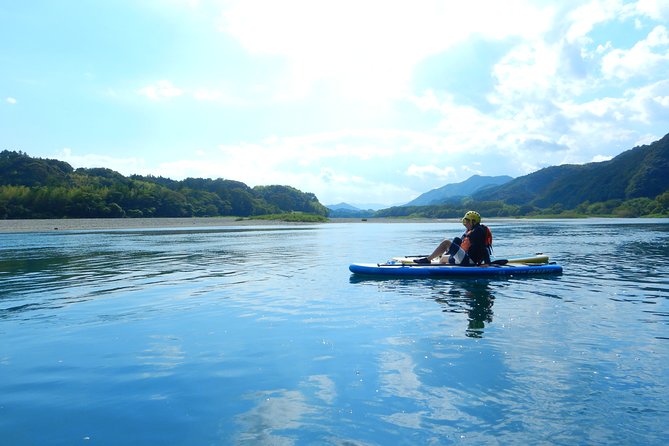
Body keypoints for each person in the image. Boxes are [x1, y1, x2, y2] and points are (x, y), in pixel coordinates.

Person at [416, 211, 492, 265]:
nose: (465, 224)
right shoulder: (471, 230)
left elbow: (483, 247)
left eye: (467, 221)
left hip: (469, 261)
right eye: (465, 221)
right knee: (443, 258)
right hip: (465, 258)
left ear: (474, 222)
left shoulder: (478, 231)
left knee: (446, 243)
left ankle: (428, 260)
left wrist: (487, 263)